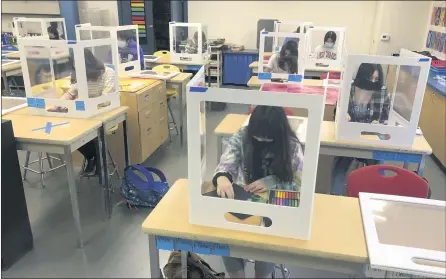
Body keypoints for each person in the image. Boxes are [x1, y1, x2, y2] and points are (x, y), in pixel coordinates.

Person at [213, 106, 304, 278]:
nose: (261, 140)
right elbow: (227, 162)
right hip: (245, 201)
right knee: (225, 234)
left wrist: (272, 181)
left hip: (275, 205)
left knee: (266, 243)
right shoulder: (243, 135)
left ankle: (262, 273)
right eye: (257, 136)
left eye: (267, 138)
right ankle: (236, 274)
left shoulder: (291, 146)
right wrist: (222, 177)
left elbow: (299, 183)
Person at [50, 49, 116, 175]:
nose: (74, 65)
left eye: (76, 62)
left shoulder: (108, 73)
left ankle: (96, 157)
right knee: (70, 131)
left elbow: (106, 98)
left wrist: (84, 103)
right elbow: (71, 92)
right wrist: (58, 104)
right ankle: (93, 156)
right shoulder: (82, 74)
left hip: (102, 112)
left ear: (87, 63)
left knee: (84, 132)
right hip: (84, 113)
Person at [330, 63, 390, 195]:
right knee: (339, 169)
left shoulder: (382, 93)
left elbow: (386, 118)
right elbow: (337, 113)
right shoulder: (349, 89)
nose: (373, 82)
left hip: (372, 140)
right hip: (349, 138)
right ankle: (335, 198)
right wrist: (342, 115)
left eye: (376, 79)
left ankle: (376, 200)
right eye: (370, 78)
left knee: (379, 173)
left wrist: (380, 124)